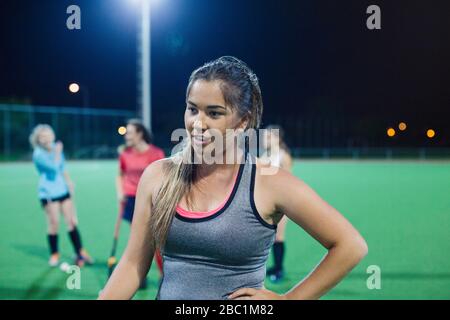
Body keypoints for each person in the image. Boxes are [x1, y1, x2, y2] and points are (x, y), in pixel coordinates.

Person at [99, 56, 367, 300]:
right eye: (193, 109)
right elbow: (134, 264)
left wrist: (288, 300)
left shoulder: (270, 182)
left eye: (214, 113)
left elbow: (350, 245)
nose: (197, 123)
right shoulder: (158, 175)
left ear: (242, 121)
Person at [30, 124, 93, 267]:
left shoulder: (55, 147)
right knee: (54, 223)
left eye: (48, 135)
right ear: (38, 140)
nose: (46, 139)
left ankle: (80, 251)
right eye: (42, 137)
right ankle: (54, 253)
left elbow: (62, 167)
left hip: (62, 189)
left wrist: (69, 182)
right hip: (48, 192)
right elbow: (54, 167)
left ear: (52, 135)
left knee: (71, 221)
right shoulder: (38, 154)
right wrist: (57, 152)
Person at [116, 119, 165, 286]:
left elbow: (162, 178)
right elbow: (120, 174)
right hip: (131, 198)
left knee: (157, 240)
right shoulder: (125, 154)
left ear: (139, 134)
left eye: (129, 132)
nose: (126, 136)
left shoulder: (156, 154)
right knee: (139, 240)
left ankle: (163, 274)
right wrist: (120, 191)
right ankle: (139, 276)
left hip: (152, 199)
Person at [260, 125, 292, 282]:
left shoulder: (283, 156)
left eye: (268, 137)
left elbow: (289, 182)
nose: (264, 139)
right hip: (264, 202)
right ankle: (270, 267)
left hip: (280, 203)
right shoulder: (264, 155)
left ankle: (279, 269)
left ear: (277, 139)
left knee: (278, 237)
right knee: (267, 237)